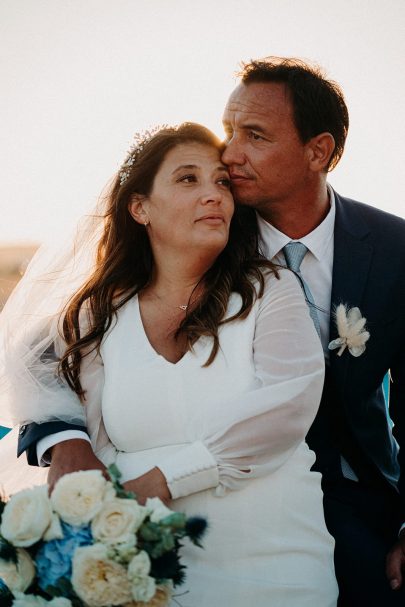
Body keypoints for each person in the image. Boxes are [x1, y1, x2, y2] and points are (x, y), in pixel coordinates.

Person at [0, 123, 338, 605]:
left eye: (222, 182)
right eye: (188, 179)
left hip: (277, 562)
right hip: (144, 570)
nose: (213, 195)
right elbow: (27, 358)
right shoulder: (98, 314)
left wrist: (159, 483)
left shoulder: (269, 290)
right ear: (140, 208)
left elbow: (286, 407)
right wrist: (66, 440)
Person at [220, 57, 405, 606]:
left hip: (362, 494)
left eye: (254, 135)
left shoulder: (394, 249)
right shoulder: (206, 241)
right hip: (236, 494)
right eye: (228, 131)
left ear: (318, 151)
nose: (229, 153)